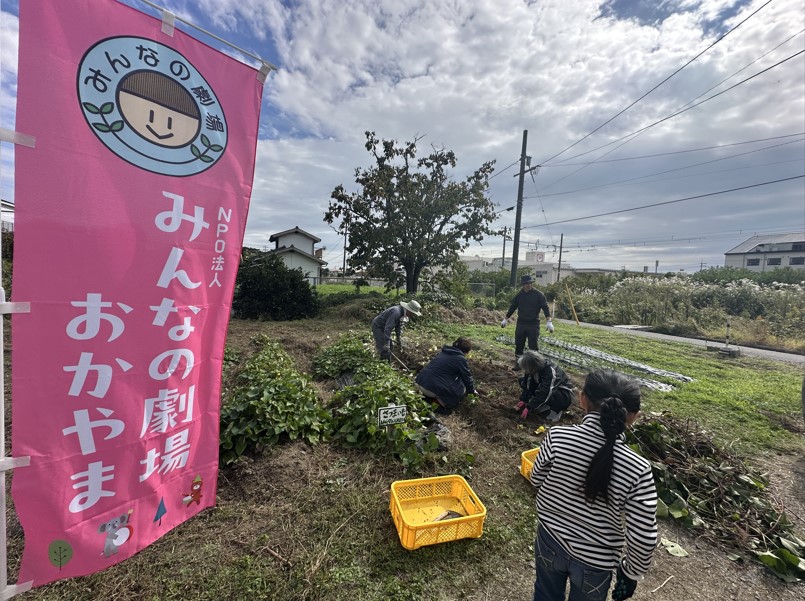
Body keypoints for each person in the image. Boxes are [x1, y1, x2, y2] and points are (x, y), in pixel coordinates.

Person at [528, 369, 657, 601]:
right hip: (596, 563)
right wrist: (631, 573)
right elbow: (643, 536)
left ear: (582, 398)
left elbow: (536, 479)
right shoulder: (638, 468)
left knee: (545, 595)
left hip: (549, 541)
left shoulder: (557, 437)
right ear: (634, 416)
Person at [501, 274, 552, 369]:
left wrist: (549, 321)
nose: (529, 285)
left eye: (530, 283)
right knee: (519, 344)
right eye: (526, 283)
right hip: (521, 323)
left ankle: (535, 366)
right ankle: (518, 363)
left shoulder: (539, 295)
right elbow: (513, 307)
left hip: (533, 324)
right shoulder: (519, 295)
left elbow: (545, 307)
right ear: (523, 285)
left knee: (533, 346)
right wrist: (506, 319)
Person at [415, 337, 477, 415]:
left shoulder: (444, 352)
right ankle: (441, 406)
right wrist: (472, 392)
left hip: (420, 382)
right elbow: (467, 378)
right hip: (431, 389)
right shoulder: (460, 359)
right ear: (466, 351)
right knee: (460, 388)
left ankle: (427, 399)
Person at [514, 350, 574, 422]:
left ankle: (556, 411)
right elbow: (528, 384)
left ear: (532, 366)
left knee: (551, 394)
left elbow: (545, 392)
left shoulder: (550, 372)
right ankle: (543, 404)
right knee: (522, 380)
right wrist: (524, 399)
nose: (526, 371)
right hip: (547, 389)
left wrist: (529, 407)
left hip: (563, 395)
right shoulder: (532, 368)